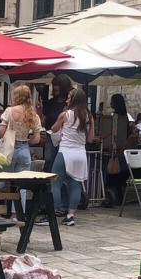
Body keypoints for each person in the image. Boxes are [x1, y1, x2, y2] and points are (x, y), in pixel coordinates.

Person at [48, 87, 91, 227]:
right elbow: (90, 138)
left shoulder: (65, 114)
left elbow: (53, 129)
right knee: (75, 185)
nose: (66, 99)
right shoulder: (88, 116)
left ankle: (53, 212)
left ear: (73, 99)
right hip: (80, 154)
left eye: (69, 97)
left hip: (65, 152)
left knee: (55, 183)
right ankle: (70, 216)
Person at [0, 85, 42, 215]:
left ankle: (3, 210)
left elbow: (1, 132)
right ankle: (18, 213)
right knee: (21, 184)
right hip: (24, 149)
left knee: (4, 181)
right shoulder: (33, 114)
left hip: (9, 149)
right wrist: (25, 139)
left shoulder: (9, 111)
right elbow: (36, 139)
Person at [42, 74, 73, 171]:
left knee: (61, 159)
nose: (55, 87)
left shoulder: (69, 103)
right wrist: (39, 111)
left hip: (64, 137)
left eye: (58, 85)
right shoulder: (51, 102)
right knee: (49, 158)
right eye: (54, 84)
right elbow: (43, 122)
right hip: (50, 136)